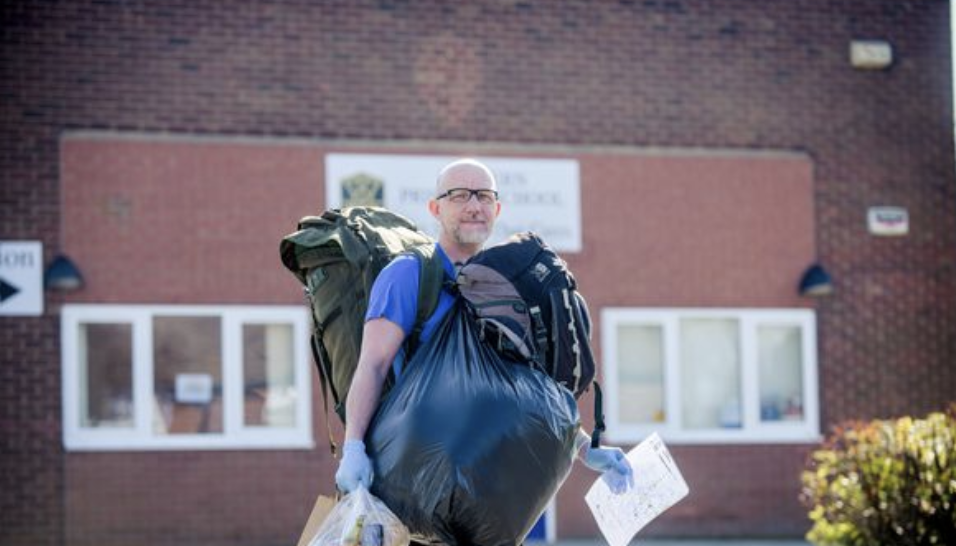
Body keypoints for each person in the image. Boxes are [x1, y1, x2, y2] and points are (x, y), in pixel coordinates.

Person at [334, 158, 634, 497]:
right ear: (435, 208)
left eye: (485, 196)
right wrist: (353, 448)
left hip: (486, 486)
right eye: (460, 195)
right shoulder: (409, 275)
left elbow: (528, 390)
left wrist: (584, 449)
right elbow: (372, 365)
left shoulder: (504, 285)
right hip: (412, 478)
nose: (475, 206)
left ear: (498, 208)